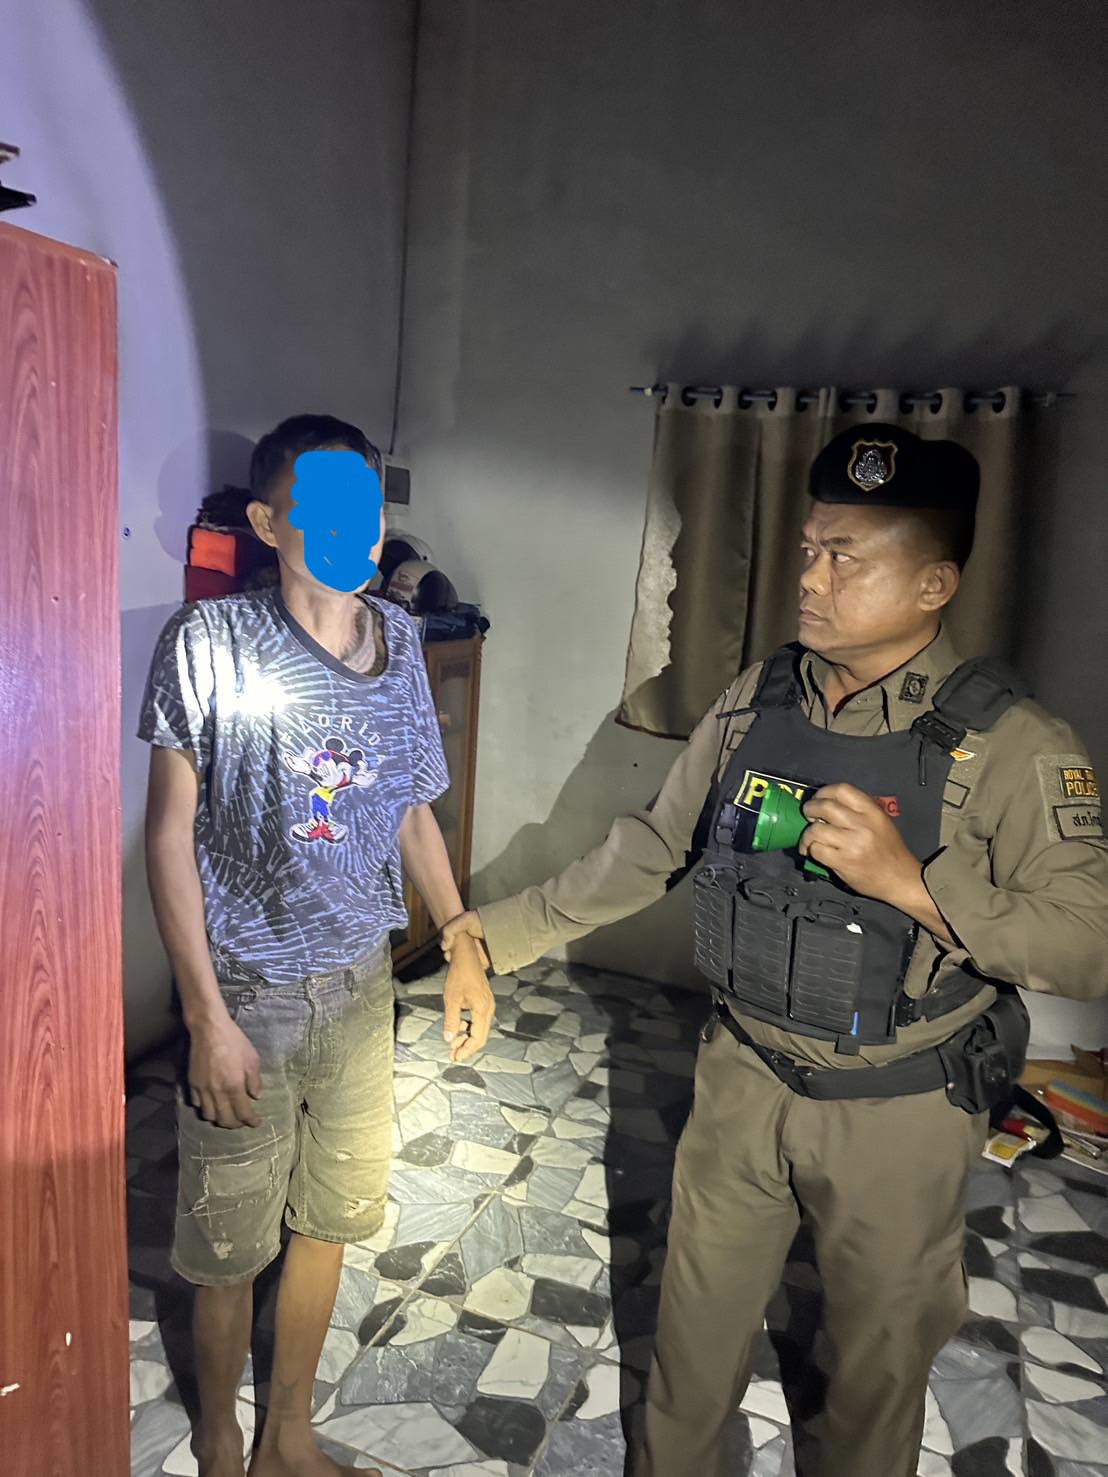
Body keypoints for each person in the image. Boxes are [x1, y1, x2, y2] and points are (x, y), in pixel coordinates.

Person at [441, 422, 1108, 1477]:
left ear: (933, 584)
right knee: (690, 1345)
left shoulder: (1014, 745)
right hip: (741, 1078)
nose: (810, 577)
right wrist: (493, 936)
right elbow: (651, 847)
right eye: (807, 548)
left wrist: (911, 882)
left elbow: (1087, 942)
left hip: (898, 1109)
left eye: (846, 556)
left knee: (874, 1371)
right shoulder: (755, 699)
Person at [141, 414, 495, 1477]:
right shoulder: (208, 641)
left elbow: (410, 807)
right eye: (326, 510)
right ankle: (218, 1442)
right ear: (267, 523)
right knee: (226, 1248)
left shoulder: (400, 642)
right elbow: (168, 834)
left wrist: (462, 937)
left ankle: (286, 1436)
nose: (357, 532)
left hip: (359, 988)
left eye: (367, 511)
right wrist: (204, 1016)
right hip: (248, 992)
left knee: (331, 1218)